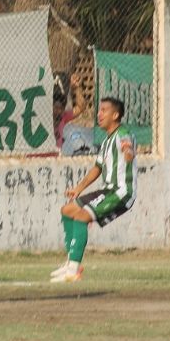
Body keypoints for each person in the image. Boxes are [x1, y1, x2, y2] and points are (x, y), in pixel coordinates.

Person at [51, 97, 137, 283]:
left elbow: (127, 148)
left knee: (82, 216)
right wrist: (78, 189)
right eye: (99, 110)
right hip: (108, 190)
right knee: (67, 211)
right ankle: (71, 261)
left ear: (115, 115)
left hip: (121, 191)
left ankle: (73, 270)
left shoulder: (123, 133)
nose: (99, 114)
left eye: (104, 110)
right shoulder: (106, 142)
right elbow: (97, 169)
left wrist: (128, 153)